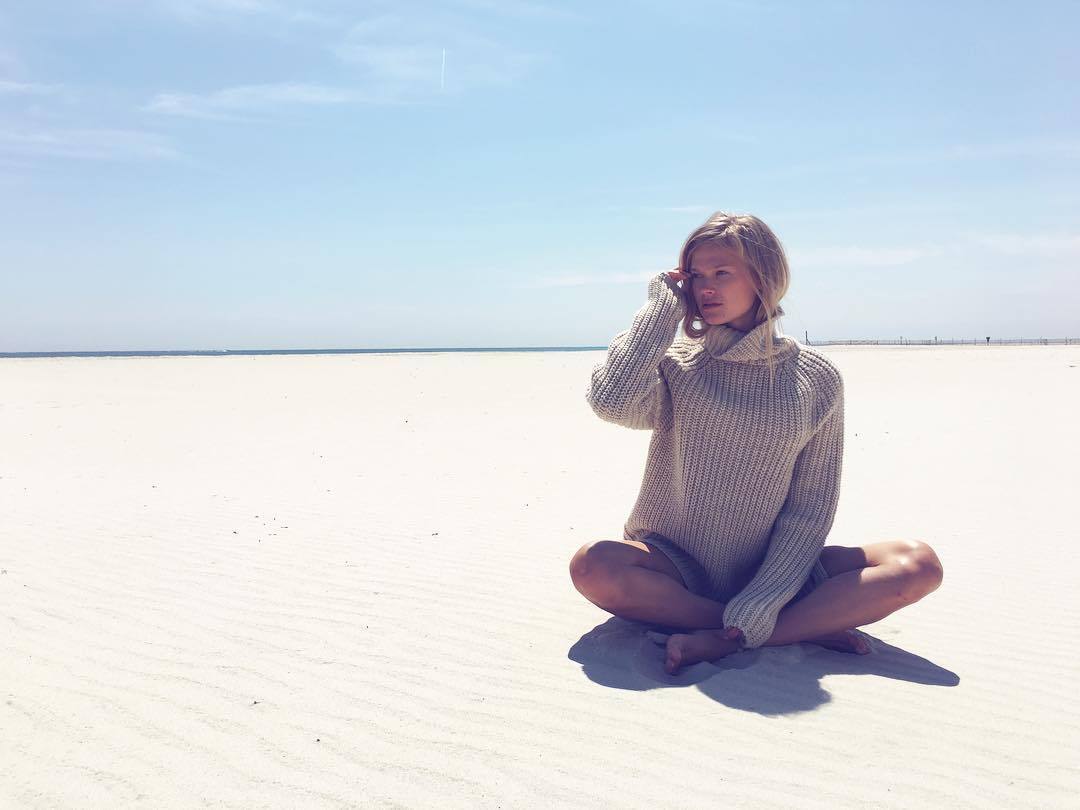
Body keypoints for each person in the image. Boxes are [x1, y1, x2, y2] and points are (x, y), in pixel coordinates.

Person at [569, 211, 944, 675]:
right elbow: (611, 401)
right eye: (696, 276)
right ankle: (791, 626)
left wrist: (761, 605)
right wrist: (659, 312)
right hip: (674, 567)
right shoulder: (676, 364)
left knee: (918, 564)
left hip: (770, 569)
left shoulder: (815, 379)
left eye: (722, 273)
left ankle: (739, 634)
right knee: (592, 565)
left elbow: (809, 510)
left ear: (763, 277)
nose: (706, 288)